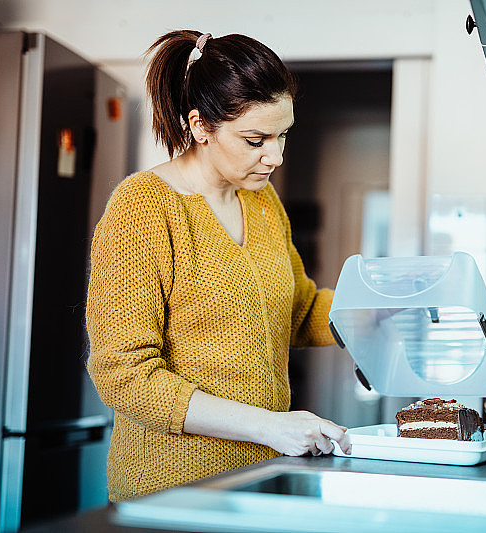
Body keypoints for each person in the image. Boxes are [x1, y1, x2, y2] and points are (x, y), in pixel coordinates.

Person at [85, 30, 351, 503]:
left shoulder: (264, 202)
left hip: (260, 483)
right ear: (200, 126)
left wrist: (379, 307)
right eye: (256, 139)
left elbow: (300, 311)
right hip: (170, 493)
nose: (276, 156)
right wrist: (269, 426)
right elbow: (122, 374)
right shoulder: (142, 209)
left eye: (283, 135)